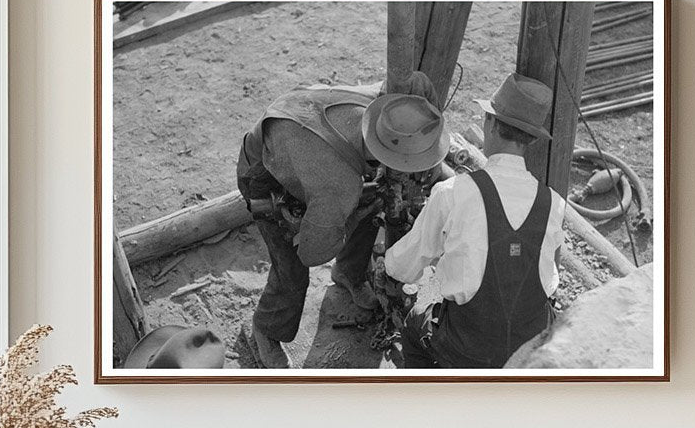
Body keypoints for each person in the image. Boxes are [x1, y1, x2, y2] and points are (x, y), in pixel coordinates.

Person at [237, 75, 449, 368]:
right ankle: (266, 329)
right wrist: (351, 216)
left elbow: (416, 82)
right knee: (291, 267)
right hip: (266, 171)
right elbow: (312, 253)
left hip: (301, 122)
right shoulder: (338, 184)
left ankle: (349, 273)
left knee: (370, 197)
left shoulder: (386, 106)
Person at [384, 73, 566, 369]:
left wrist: (388, 264)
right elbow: (548, 275)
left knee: (415, 324)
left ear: (490, 124)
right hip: (530, 346)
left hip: (466, 350)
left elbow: (404, 266)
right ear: (531, 139)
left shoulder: (452, 192)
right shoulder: (554, 203)